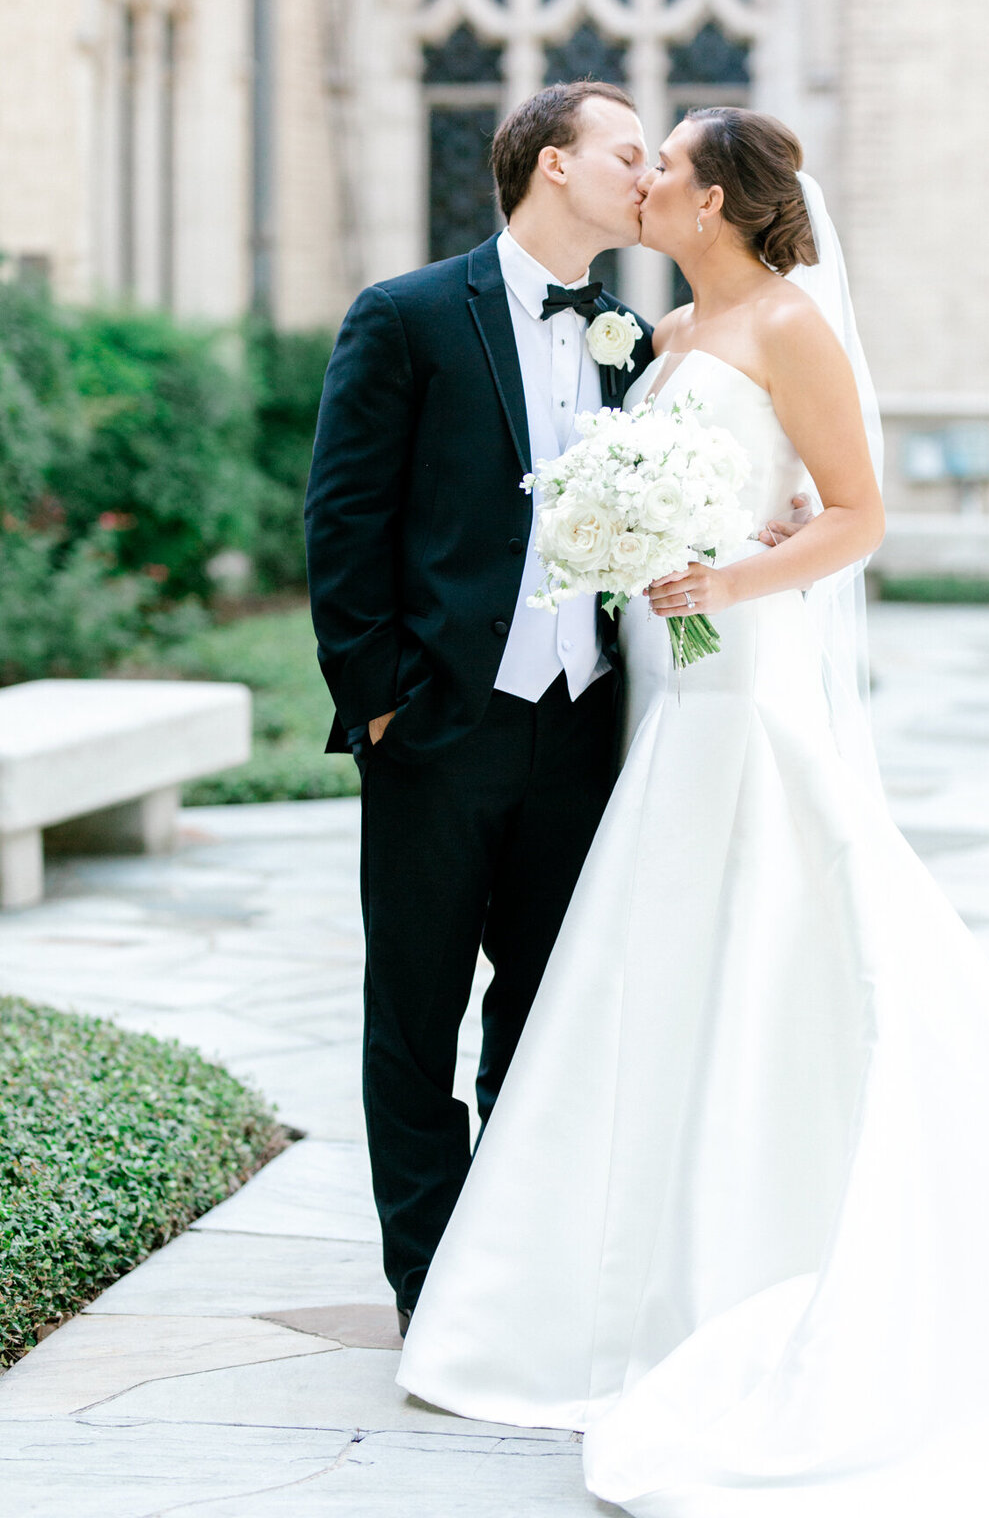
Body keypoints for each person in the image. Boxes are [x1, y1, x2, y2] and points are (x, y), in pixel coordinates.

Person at [398, 108, 989, 1515]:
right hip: (665, 682)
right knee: (655, 957)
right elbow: (681, 500)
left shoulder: (786, 327)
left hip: (740, 676)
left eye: (669, 169)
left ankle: (762, 1242)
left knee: (770, 929)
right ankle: (603, 1287)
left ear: (715, 203)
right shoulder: (663, 341)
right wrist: (637, 544)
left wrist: (731, 584)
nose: (647, 182)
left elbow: (857, 514)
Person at [303, 81, 656, 1331]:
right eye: (626, 151)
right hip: (438, 726)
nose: (649, 171)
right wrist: (382, 703)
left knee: (545, 1009)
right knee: (415, 1009)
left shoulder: (633, 333)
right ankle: (428, 1279)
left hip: (579, 729)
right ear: (552, 166)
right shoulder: (404, 317)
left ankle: (511, 1263)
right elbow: (343, 521)